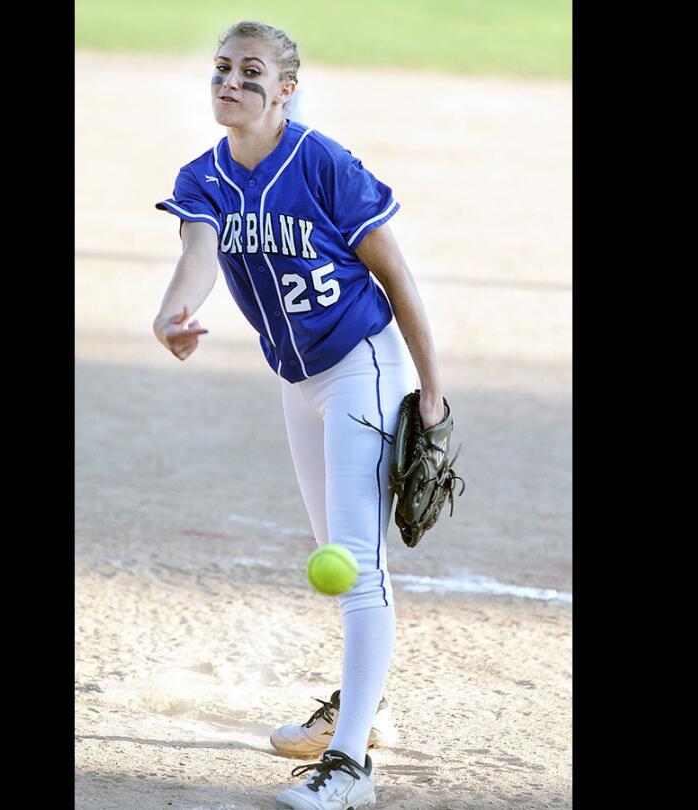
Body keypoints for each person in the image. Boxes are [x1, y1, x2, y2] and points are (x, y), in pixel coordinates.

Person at [152, 20, 447, 810]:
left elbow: (396, 274)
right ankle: (367, 706)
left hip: (365, 367)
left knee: (356, 562)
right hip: (299, 383)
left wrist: (431, 383)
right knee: (336, 555)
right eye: (222, 67)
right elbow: (197, 255)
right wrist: (171, 315)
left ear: (286, 89)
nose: (231, 81)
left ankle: (350, 769)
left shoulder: (323, 162)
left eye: (252, 71)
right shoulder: (206, 176)